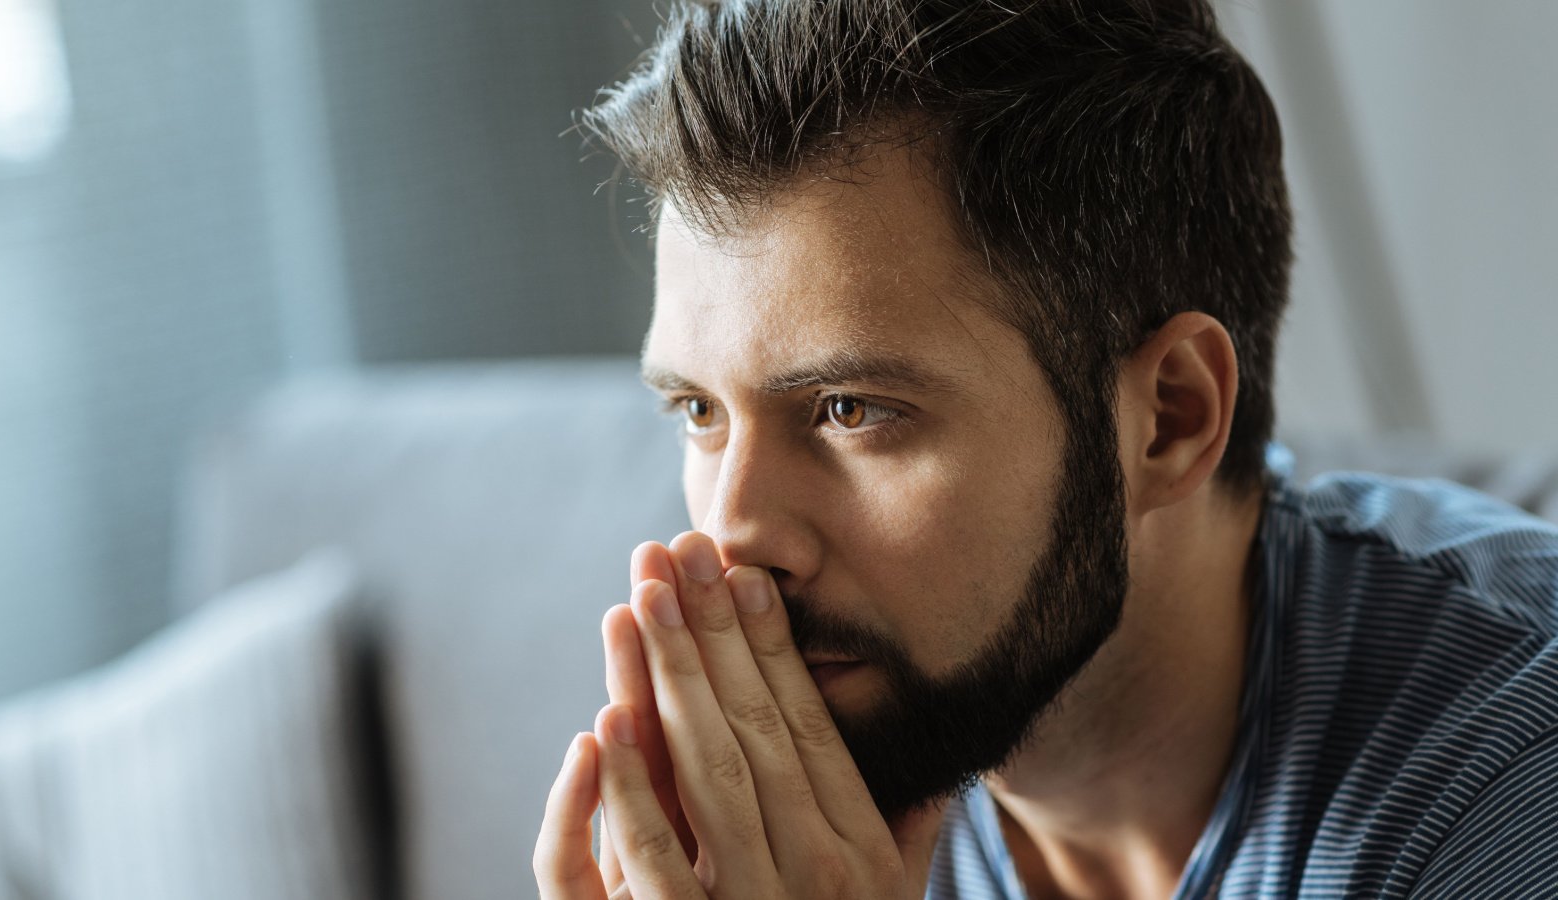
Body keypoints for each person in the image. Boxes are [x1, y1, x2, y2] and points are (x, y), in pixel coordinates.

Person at [533, 0, 1558, 897]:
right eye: (699, 413)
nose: (729, 537)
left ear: (1170, 417)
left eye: (851, 410)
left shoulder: (1511, 778)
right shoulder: (828, 800)